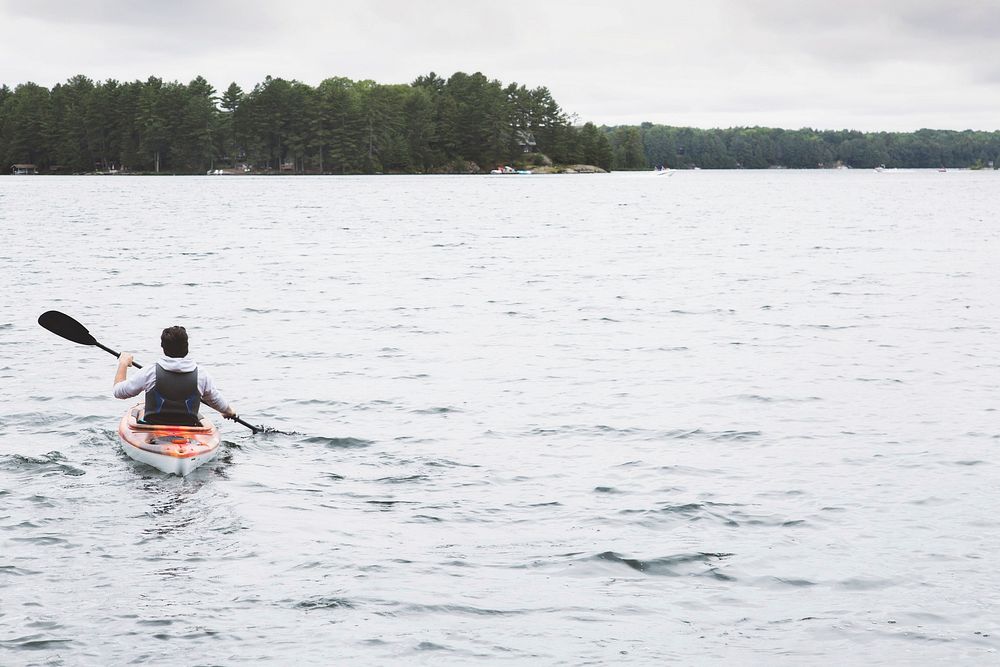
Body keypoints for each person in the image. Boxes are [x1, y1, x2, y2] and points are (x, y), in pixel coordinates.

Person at [113, 325, 237, 426]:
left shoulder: (150, 372)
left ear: (163, 347)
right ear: (187, 347)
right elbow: (215, 400)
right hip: (188, 427)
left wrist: (123, 363)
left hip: (154, 427)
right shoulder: (202, 374)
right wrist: (229, 412)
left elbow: (119, 392)